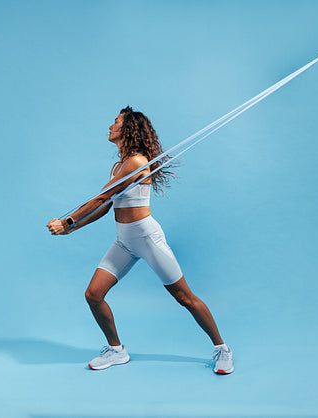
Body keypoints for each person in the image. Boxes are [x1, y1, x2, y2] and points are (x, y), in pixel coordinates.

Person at [46, 106, 234, 374]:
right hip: (124, 240)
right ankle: (116, 351)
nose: (110, 126)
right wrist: (72, 228)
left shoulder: (136, 162)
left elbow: (99, 198)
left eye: (116, 122)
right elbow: (105, 206)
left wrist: (67, 221)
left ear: (128, 128)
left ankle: (222, 349)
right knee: (94, 295)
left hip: (146, 237)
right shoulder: (119, 165)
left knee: (184, 297)